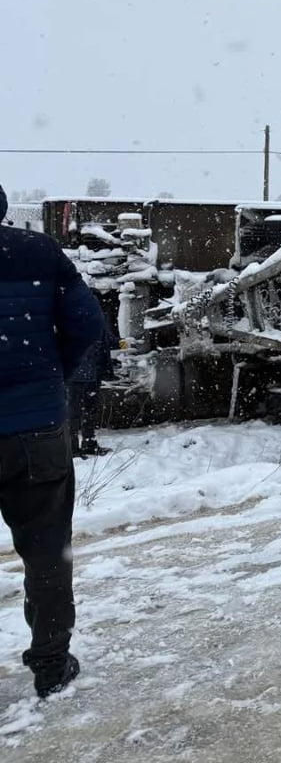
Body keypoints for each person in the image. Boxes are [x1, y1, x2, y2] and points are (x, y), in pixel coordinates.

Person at [0, 184, 105, 698]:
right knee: (46, 555)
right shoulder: (38, 251)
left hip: (35, 416)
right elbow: (88, 323)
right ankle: (51, 664)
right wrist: (50, 375)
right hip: (36, 432)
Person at [67, 326, 116, 458]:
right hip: (76, 374)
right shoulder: (71, 318)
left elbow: (105, 338)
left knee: (89, 411)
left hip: (92, 372)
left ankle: (88, 444)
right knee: (75, 412)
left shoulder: (95, 318)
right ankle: (72, 448)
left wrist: (120, 342)